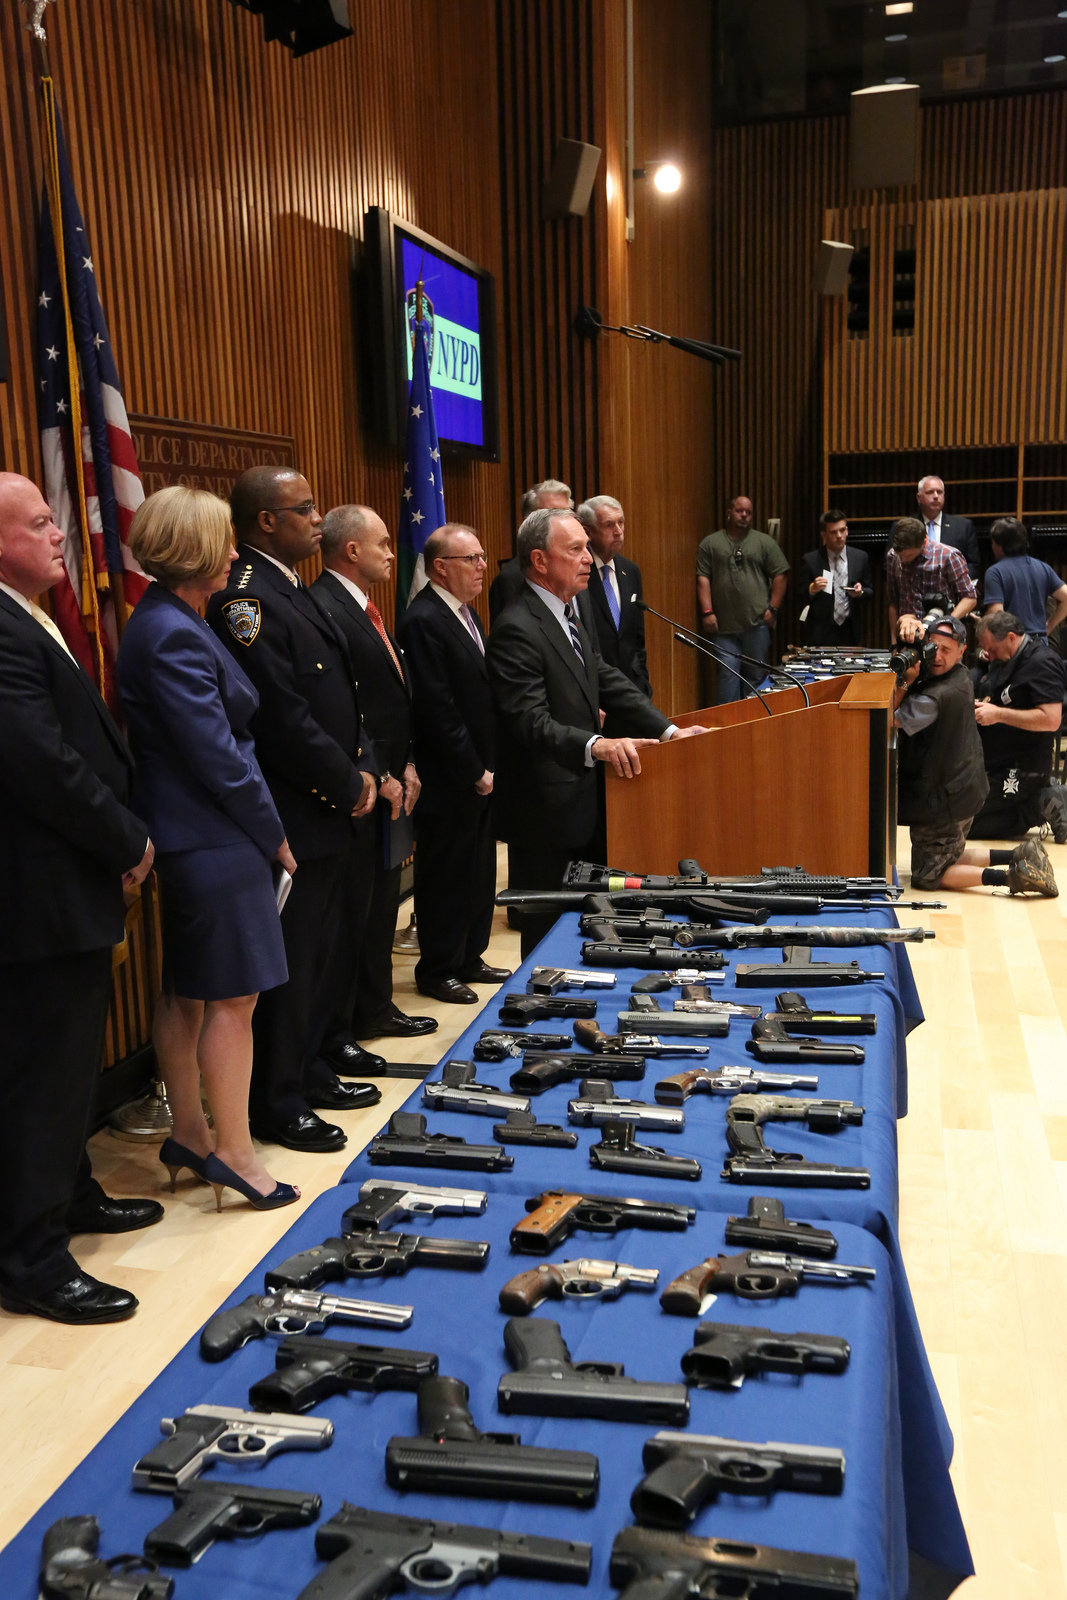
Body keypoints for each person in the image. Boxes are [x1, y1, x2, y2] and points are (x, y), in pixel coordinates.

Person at [0, 472, 159, 1324]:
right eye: (37, 524)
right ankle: (31, 1257)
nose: (59, 532)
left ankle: (69, 1194)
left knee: (64, 1069)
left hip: (65, 884)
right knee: (41, 1076)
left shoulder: (25, 613)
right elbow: (38, 764)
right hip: (37, 895)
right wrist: (126, 837)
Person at [117, 486, 299, 1212]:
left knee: (189, 990)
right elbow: (218, 757)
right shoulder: (170, 630)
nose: (232, 554)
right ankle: (235, 1153)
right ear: (191, 549)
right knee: (233, 997)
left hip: (195, 832)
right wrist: (274, 833)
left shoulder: (171, 618)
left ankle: (191, 1135)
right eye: (222, 542)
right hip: (213, 833)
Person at [207, 466, 381, 1155]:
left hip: (329, 803)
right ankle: (277, 1102)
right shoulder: (245, 597)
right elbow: (280, 715)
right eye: (304, 509)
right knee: (294, 959)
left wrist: (364, 768)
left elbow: (343, 696)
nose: (318, 518)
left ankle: (308, 1069)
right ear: (266, 522)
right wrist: (346, 782)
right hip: (296, 809)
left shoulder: (290, 587)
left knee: (322, 954)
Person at [488, 506, 708, 955]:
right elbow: (529, 721)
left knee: (587, 928)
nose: (588, 558)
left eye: (587, 548)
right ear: (539, 561)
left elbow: (604, 676)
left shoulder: (569, 610)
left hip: (586, 804)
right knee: (547, 939)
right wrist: (596, 744)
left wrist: (669, 731)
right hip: (546, 813)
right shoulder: (517, 627)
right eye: (575, 549)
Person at [311, 504, 436, 1040]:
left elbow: (392, 701)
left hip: (390, 778)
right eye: (383, 543)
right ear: (352, 549)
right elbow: (344, 708)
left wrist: (407, 762)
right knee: (354, 916)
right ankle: (348, 1024)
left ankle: (375, 1008)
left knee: (382, 905)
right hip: (359, 787)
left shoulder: (363, 607)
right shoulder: (326, 607)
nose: (392, 552)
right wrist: (380, 772)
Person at [397, 523, 510, 1003]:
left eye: (482, 557)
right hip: (449, 777)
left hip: (479, 769)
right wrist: (473, 770)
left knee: (477, 870)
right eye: (472, 559)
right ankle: (438, 968)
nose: (483, 566)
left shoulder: (466, 614)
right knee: (446, 874)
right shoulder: (423, 619)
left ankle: (469, 955)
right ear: (440, 567)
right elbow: (436, 708)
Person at [894, 615, 1056, 895]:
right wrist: (907, 623)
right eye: (933, 648)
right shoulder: (962, 675)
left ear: (961, 651)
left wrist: (905, 682)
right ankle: (1020, 854)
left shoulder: (933, 698)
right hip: (965, 787)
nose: (937, 656)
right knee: (948, 855)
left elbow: (888, 719)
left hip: (944, 798)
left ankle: (1013, 878)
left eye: (946, 650)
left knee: (928, 874)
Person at [967, 610, 1067, 842]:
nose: (989, 655)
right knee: (955, 816)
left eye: (992, 649)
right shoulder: (1004, 659)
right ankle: (1035, 798)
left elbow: (1051, 719)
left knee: (967, 825)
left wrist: (998, 714)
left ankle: (1040, 803)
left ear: (1011, 637)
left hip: (1022, 768)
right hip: (994, 762)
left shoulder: (1042, 663)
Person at [695, 494, 789, 702]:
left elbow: (781, 574)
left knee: (755, 677)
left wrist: (773, 608)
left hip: (756, 625)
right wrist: (707, 612)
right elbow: (703, 578)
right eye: (739, 511)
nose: (744, 515)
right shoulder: (711, 543)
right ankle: (728, 721)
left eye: (748, 512)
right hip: (723, 628)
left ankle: (753, 720)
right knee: (727, 676)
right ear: (729, 513)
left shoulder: (764, 542)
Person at [574, 495, 651, 699]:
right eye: (609, 525)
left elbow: (637, 638)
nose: (618, 531)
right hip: (597, 690)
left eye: (621, 522)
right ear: (588, 532)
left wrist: (643, 684)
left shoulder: (630, 570)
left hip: (632, 687)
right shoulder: (579, 573)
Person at [488, 479, 572, 623]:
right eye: (553, 514)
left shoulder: (578, 568)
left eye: (567, 514)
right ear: (529, 522)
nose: (564, 522)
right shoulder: (510, 580)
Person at [886, 517, 977, 643]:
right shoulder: (892, 556)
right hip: (907, 633)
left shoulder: (948, 556)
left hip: (941, 635)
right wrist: (894, 642)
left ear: (924, 542)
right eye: (900, 556)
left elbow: (970, 598)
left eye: (909, 556)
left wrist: (945, 623)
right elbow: (893, 601)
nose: (903, 560)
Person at [982, 518, 1067, 638]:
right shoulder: (1043, 567)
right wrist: (1049, 626)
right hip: (1040, 642)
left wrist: (982, 625)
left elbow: (996, 613)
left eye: (993, 542)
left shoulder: (995, 572)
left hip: (1013, 641)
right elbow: (1065, 597)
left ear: (999, 545)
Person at [798, 510, 873, 646]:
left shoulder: (860, 557)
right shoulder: (811, 560)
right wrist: (812, 589)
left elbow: (870, 591)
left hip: (850, 629)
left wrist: (860, 592)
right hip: (821, 631)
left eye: (842, 530)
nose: (839, 536)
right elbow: (800, 595)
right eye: (833, 532)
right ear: (824, 534)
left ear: (847, 531)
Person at [915, 475, 980, 581]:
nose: (936, 496)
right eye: (930, 492)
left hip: (953, 586)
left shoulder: (963, 526)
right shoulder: (905, 527)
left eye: (939, 492)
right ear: (919, 498)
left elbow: (974, 565)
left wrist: (955, 580)